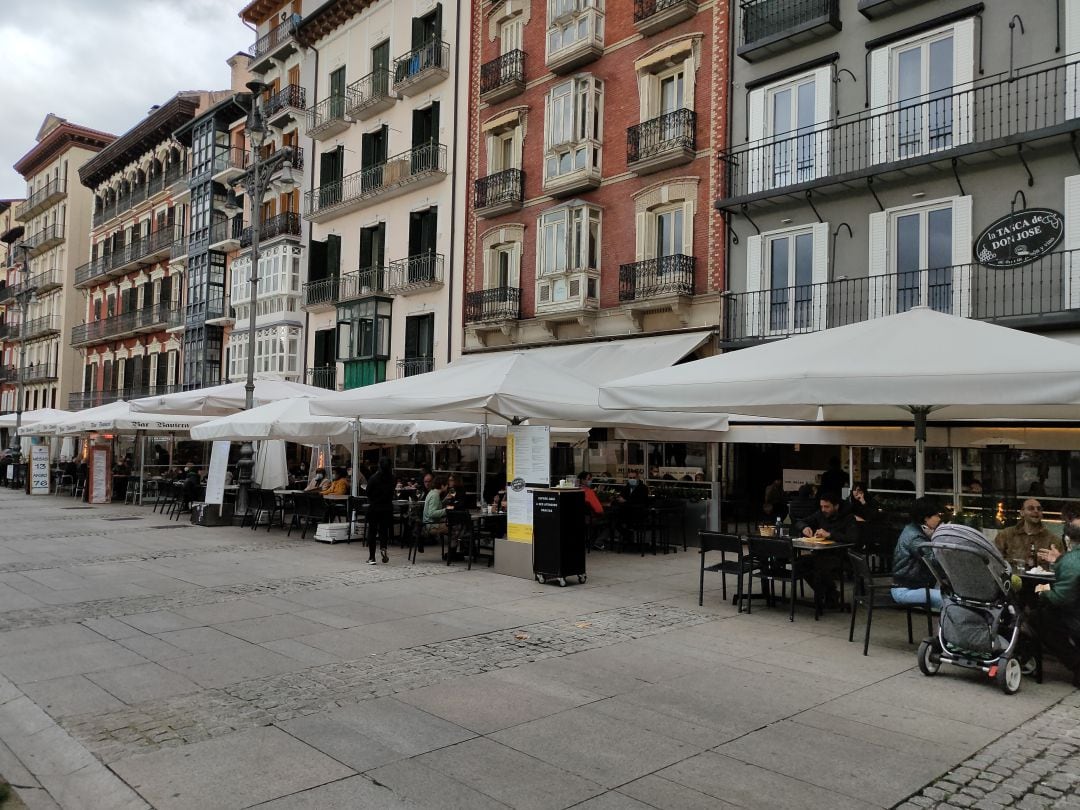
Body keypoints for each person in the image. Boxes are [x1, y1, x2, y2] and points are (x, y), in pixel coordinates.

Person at [1034, 513, 1080, 683]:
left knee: (1038, 617)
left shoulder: (1072, 560)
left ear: (1068, 539)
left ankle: (1076, 665)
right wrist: (1060, 560)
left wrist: (1042, 590)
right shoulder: (1071, 560)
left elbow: (1060, 598)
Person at [891, 497, 944, 609]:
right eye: (937, 515)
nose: (939, 519)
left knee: (951, 594)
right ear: (926, 518)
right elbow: (934, 561)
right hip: (906, 590)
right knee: (949, 601)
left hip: (910, 585)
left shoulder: (912, 529)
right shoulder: (916, 538)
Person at [995, 498, 1063, 565]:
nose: (1036, 511)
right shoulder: (1006, 535)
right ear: (1022, 513)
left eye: (1039, 509)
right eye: (1031, 508)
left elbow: (1062, 565)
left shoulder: (1053, 540)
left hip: (1039, 575)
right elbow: (995, 559)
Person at [365, 456, 395, 565]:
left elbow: (367, 492)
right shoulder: (392, 478)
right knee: (383, 530)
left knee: (372, 532)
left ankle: (372, 557)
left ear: (379, 465)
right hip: (387, 508)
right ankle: (383, 547)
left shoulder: (374, 478)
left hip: (374, 508)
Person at [423, 475, 451, 554]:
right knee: (455, 527)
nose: (447, 487)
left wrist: (444, 501)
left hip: (429, 523)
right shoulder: (435, 495)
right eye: (446, 485)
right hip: (432, 525)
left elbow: (435, 506)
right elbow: (431, 513)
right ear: (442, 486)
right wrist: (446, 510)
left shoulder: (432, 492)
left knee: (454, 526)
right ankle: (452, 553)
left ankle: (452, 553)